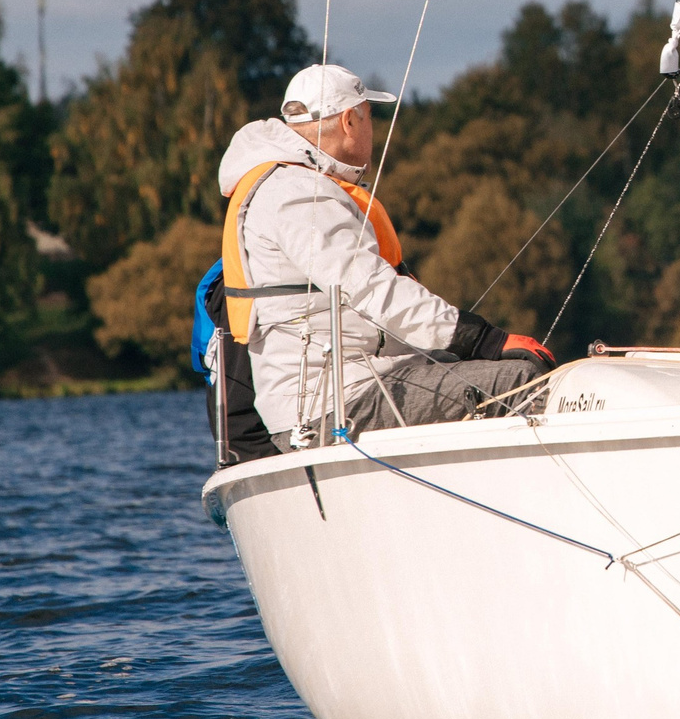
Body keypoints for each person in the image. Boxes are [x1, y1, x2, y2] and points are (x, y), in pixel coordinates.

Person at [219, 64, 553, 452]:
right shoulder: (297, 194)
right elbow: (373, 290)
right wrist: (484, 340)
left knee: (499, 374)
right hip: (334, 406)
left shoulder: (294, 184)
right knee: (522, 382)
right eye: (369, 119)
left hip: (356, 386)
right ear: (349, 121)